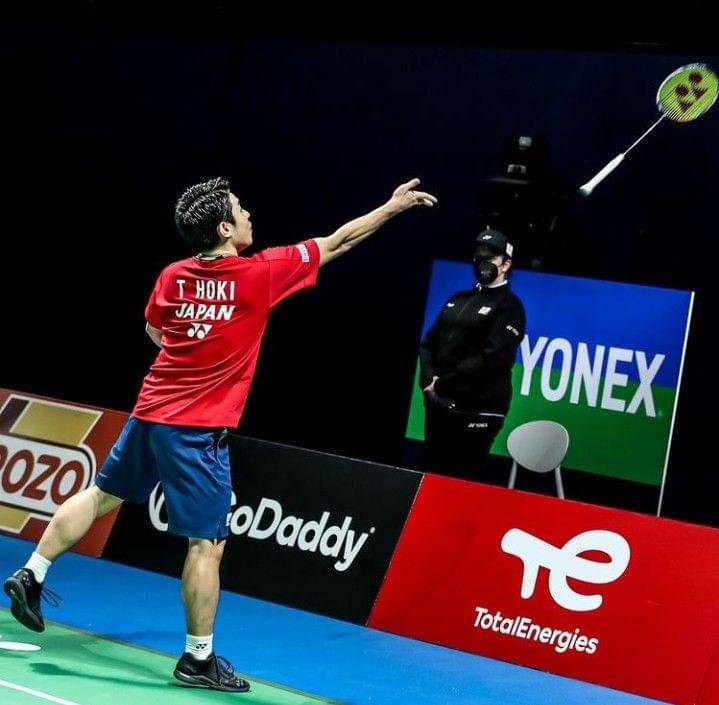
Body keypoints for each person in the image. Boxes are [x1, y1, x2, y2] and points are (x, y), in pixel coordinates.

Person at [4, 176, 436, 693]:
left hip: (149, 412)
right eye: (240, 209)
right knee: (206, 543)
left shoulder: (173, 275)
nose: (249, 214)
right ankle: (197, 658)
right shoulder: (261, 273)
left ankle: (33, 571)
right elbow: (339, 242)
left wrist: (196, 345)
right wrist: (390, 208)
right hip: (197, 430)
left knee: (102, 494)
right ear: (225, 228)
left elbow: (156, 331)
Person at [419, 228, 525, 481]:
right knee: (431, 477)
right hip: (439, 404)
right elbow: (428, 344)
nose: (482, 261)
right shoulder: (458, 299)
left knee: (461, 480)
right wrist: (430, 383)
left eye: (490, 256)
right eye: (479, 255)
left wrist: (443, 384)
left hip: (478, 408)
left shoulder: (510, 307)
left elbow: (492, 359)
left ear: (506, 264)